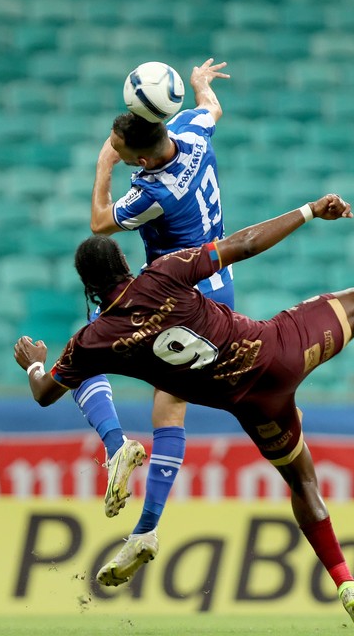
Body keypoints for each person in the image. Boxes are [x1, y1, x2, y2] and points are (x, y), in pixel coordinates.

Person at [14, 193, 354, 630]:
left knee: (302, 482)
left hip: (252, 405)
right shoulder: (163, 272)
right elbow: (243, 244)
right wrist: (308, 211)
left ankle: (346, 581)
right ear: (123, 260)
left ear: (87, 287)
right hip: (277, 353)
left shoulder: (92, 341)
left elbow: (45, 392)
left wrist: (35, 362)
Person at [75, 59, 230, 542]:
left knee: (83, 352)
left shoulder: (152, 193)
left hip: (169, 293)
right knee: (171, 405)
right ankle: (146, 529)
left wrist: (104, 162)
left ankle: (117, 444)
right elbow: (212, 108)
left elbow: (100, 223)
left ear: (139, 161)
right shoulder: (195, 133)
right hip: (220, 286)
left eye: (124, 154)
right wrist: (201, 83)